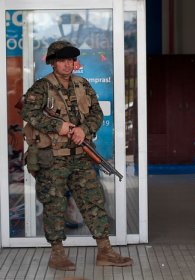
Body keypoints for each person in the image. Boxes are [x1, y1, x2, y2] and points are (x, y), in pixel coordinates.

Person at [22, 40, 133, 270]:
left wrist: (85, 129)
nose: (67, 64)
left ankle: (105, 251)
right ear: (53, 62)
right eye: (62, 60)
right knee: (54, 205)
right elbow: (29, 112)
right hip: (52, 158)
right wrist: (58, 126)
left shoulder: (82, 84)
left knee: (94, 201)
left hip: (80, 157)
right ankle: (57, 254)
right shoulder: (42, 87)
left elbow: (97, 114)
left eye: (71, 60)